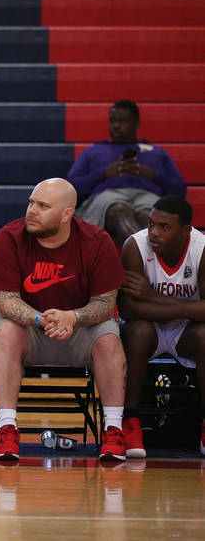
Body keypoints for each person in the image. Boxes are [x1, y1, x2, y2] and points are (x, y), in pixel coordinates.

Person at [0, 177, 127, 462]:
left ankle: (114, 430)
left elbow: (105, 303)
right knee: (5, 329)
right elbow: (6, 300)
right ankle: (7, 428)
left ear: (67, 214)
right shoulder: (9, 237)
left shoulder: (97, 241)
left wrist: (72, 317)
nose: (32, 211)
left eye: (43, 206)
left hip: (80, 328)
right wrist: (40, 318)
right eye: (31, 203)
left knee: (109, 337)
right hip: (32, 329)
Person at [118, 195, 205, 458]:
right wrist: (190, 309)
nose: (153, 232)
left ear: (186, 231)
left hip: (185, 332)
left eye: (164, 227)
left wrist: (152, 297)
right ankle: (130, 421)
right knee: (138, 331)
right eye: (151, 223)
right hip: (147, 329)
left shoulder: (201, 250)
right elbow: (129, 309)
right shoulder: (135, 246)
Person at [67, 99, 186, 246]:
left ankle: (141, 256)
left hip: (147, 196)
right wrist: (104, 173)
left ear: (136, 123)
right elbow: (70, 189)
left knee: (149, 216)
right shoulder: (92, 152)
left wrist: (153, 175)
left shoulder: (156, 153)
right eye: (113, 121)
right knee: (119, 210)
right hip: (108, 196)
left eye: (122, 121)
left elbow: (180, 191)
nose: (116, 126)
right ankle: (148, 258)